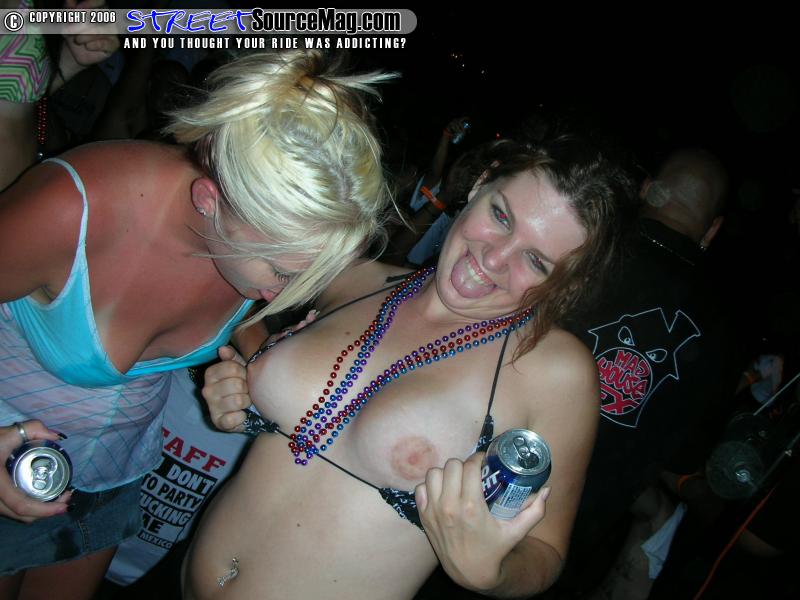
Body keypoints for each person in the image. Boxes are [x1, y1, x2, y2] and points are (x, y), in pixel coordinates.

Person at [0, 49, 392, 600]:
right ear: (209, 201)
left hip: (113, 478)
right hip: (12, 465)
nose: (288, 294)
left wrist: (256, 368)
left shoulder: (257, 244)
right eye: (282, 273)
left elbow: (244, 324)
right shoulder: (75, 208)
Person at [186, 135, 636, 599]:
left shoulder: (555, 371)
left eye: (536, 261)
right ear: (481, 182)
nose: (494, 258)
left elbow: (546, 552)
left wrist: (492, 573)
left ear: (565, 283)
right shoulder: (358, 280)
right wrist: (245, 372)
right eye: (501, 216)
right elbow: (228, 271)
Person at [556, 147, 741, 597]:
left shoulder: (584, 245)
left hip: (483, 472)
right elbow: (685, 454)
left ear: (646, 190)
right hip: (573, 531)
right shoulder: (723, 328)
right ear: (712, 230)